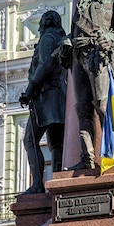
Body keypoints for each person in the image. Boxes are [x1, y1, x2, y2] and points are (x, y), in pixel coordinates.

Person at [59, 0, 114, 169]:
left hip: (100, 54)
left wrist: (111, 37)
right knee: (82, 108)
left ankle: (112, 154)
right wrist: (66, 41)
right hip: (78, 55)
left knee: (102, 104)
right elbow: (74, 31)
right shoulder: (83, 1)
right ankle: (86, 158)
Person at [19, 10, 67, 194]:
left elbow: (45, 63)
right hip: (58, 96)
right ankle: (57, 182)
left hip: (46, 96)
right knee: (56, 144)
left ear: (44, 24)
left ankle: (38, 185)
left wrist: (29, 90)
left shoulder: (47, 38)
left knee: (30, 140)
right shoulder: (58, 38)